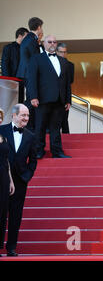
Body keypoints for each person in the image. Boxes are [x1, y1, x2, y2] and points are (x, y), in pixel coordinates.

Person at [0, 104, 37, 256]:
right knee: (1, 213)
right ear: (14, 115)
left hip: (20, 181)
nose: (26, 119)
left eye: (27, 116)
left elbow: (33, 160)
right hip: (2, 179)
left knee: (16, 215)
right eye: (23, 115)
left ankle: (11, 247)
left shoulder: (31, 136)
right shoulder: (2, 131)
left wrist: (26, 176)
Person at [27, 35, 72, 159]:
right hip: (42, 99)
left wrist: (68, 100)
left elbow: (66, 82)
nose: (52, 44)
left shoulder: (63, 61)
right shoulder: (36, 59)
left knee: (56, 128)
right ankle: (38, 151)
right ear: (44, 43)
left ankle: (57, 152)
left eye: (54, 42)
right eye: (49, 42)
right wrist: (33, 97)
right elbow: (32, 80)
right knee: (40, 126)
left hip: (59, 100)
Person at [17, 18, 44, 130]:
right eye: (41, 27)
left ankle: (28, 125)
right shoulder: (32, 40)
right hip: (29, 73)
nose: (42, 29)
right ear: (38, 27)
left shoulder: (29, 38)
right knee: (31, 99)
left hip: (25, 72)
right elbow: (35, 59)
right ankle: (27, 125)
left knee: (30, 99)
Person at [1, 28, 29, 102]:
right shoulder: (8, 48)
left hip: (24, 80)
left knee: (22, 100)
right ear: (20, 36)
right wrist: (8, 81)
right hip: (12, 79)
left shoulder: (26, 48)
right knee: (11, 102)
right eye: (26, 37)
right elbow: (5, 65)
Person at [0, 129, 15, 258]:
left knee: (2, 212)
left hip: (4, 176)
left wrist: (11, 181)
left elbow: (7, 161)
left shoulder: (3, 138)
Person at [56, 43, 75, 133]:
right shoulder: (52, 63)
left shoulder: (70, 65)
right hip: (53, 97)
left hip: (64, 96)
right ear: (56, 52)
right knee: (54, 122)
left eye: (65, 52)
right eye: (61, 52)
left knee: (64, 120)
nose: (63, 54)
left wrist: (68, 100)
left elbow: (70, 81)